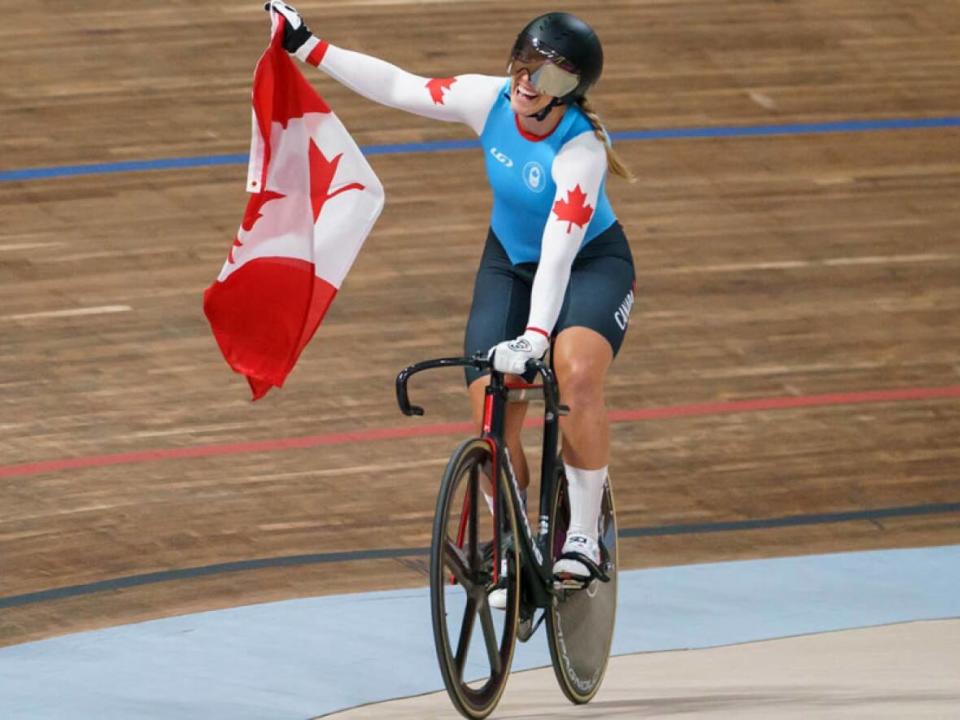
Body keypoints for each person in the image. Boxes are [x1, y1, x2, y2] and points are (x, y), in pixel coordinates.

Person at [263, 3, 636, 594]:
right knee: (493, 409)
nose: (527, 82)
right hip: (510, 264)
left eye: (548, 76)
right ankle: (513, 534)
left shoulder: (581, 151)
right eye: (524, 63)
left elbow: (561, 250)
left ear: (570, 93)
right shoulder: (484, 99)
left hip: (591, 265)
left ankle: (584, 534)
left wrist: (536, 338)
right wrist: (308, 45)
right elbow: (398, 85)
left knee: (575, 374)